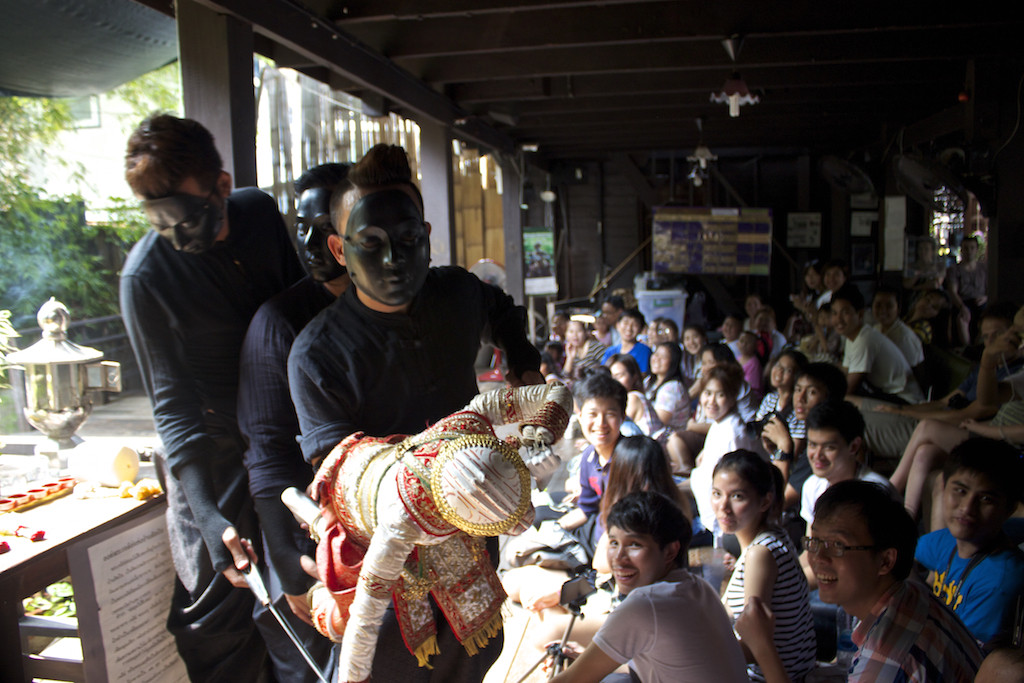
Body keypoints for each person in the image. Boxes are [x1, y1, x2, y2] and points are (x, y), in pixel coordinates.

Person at [287, 143, 542, 682]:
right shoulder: (318, 353)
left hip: (474, 531)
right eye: (371, 244)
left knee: (475, 660)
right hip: (387, 560)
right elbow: (339, 467)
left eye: (407, 241)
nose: (393, 260)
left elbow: (498, 307)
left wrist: (522, 359)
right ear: (338, 248)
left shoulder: (455, 293)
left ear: (426, 237)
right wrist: (428, 476)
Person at [120, 114, 306, 680]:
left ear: (221, 188)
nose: (174, 235)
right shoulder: (145, 278)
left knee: (303, 599)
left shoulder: (259, 214)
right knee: (217, 622)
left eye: (181, 215)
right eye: (157, 221)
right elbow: (171, 407)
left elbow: (303, 304)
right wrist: (207, 515)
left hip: (283, 432)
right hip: (214, 452)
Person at [306, 382, 572, 682]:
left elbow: (556, 393)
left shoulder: (468, 424)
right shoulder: (399, 525)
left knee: (477, 633)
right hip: (355, 491)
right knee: (368, 628)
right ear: (466, 527)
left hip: (397, 469)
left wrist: (540, 436)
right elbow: (365, 616)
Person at [237, 162, 351, 679]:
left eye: (323, 224)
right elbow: (267, 454)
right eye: (299, 226)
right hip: (306, 548)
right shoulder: (279, 322)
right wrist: (289, 568)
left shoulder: (389, 313)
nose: (308, 240)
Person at [549, 491, 749, 683]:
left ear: (671, 551)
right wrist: (587, 658)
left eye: (634, 545)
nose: (619, 558)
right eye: (613, 542)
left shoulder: (645, 604)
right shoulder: (699, 588)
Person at [806, 481, 982, 680]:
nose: (818, 557)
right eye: (814, 540)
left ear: (886, 560)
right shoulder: (913, 594)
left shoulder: (885, 665)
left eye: (838, 544)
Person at [713, 450, 817, 682]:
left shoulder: (761, 553)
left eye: (737, 496)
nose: (723, 507)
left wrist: (699, 650)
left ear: (765, 501)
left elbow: (755, 646)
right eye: (717, 494)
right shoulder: (774, 535)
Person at [915, 438, 1024, 647]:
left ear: (1009, 509)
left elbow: (956, 651)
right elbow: (898, 556)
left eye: (985, 499)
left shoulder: (1001, 579)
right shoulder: (946, 540)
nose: (967, 508)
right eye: (960, 491)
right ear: (943, 489)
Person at [689, 364, 759, 536]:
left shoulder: (733, 432)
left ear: (733, 397)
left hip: (718, 527)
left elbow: (737, 487)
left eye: (720, 395)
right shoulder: (718, 424)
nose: (711, 401)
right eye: (707, 393)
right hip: (703, 511)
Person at [799, 401, 891, 528]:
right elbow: (812, 543)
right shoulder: (812, 486)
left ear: (854, 446)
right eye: (812, 445)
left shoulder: (876, 493)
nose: (817, 455)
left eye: (829, 447)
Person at [831, 283, 923, 404]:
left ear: (860, 314)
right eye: (834, 313)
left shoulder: (865, 340)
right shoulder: (855, 335)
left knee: (843, 401)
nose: (838, 319)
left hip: (903, 400)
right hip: (884, 393)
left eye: (845, 312)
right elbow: (845, 371)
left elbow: (849, 388)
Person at [609, 353, 664, 438]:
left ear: (634, 376)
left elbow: (614, 428)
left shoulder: (633, 397)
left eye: (619, 376)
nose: (615, 381)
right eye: (611, 377)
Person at [871, 285, 924, 369]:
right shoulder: (875, 328)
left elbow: (914, 372)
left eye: (889, 306)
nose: (882, 310)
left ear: (898, 309)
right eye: (878, 305)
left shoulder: (904, 338)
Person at [948, 235, 988, 347]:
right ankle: (967, 348)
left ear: (976, 250)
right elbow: (953, 291)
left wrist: (985, 297)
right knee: (962, 317)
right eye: (966, 248)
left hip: (981, 301)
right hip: (963, 301)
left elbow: (990, 288)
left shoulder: (984, 268)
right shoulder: (954, 269)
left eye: (972, 248)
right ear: (961, 249)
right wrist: (962, 307)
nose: (969, 251)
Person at [644, 341, 689, 430]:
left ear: (673, 362)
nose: (657, 358)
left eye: (663, 356)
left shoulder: (672, 387)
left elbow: (657, 423)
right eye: (656, 354)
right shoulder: (649, 381)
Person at [601, 307, 652, 373]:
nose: (629, 328)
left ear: (640, 329)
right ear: (618, 325)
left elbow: (643, 374)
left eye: (634, 325)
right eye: (625, 323)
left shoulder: (644, 351)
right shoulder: (610, 351)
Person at [736, 330, 765, 399]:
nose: (744, 344)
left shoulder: (754, 363)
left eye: (748, 342)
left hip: (751, 396)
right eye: (742, 341)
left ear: (755, 346)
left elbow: (752, 386)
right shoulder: (737, 359)